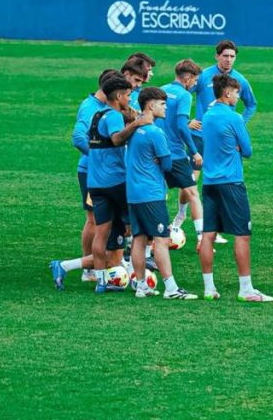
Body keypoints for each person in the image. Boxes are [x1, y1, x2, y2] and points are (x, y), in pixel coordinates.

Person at [198, 74, 273, 302]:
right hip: (231, 181)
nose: (239, 97)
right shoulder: (234, 118)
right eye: (237, 93)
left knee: (208, 234)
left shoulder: (208, 116)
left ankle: (209, 288)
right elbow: (248, 151)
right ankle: (245, 289)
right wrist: (237, 147)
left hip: (209, 182)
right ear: (227, 93)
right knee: (242, 234)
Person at [125, 87, 197, 300]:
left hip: (133, 193)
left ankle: (141, 286)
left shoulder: (133, 129)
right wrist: (160, 160)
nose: (166, 108)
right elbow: (167, 164)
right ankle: (171, 288)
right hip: (151, 193)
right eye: (163, 104)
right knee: (161, 239)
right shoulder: (156, 132)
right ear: (150, 105)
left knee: (138, 239)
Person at [50, 69, 119, 290]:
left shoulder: (107, 108)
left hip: (104, 174)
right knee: (94, 221)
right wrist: (99, 156)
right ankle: (89, 269)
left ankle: (102, 267)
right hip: (93, 173)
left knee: (107, 223)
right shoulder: (91, 108)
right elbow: (78, 138)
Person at [85, 76, 152, 293]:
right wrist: (137, 123)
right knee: (136, 227)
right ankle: (136, 275)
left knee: (102, 231)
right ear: (119, 96)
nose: (130, 98)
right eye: (128, 94)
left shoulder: (97, 115)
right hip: (116, 181)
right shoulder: (114, 116)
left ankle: (101, 280)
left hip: (95, 182)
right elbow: (116, 139)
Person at [192, 40, 256, 245]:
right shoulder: (203, 76)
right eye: (225, 56)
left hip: (225, 138)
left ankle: (210, 228)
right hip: (201, 136)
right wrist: (187, 121)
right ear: (217, 56)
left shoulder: (240, 81)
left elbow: (251, 105)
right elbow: (185, 93)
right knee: (192, 181)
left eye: (232, 56)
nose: (229, 60)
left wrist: (239, 126)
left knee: (210, 179)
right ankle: (182, 217)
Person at [157, 59, 206, 245]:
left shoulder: (160, 91)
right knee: (193, 193)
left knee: (158, 194)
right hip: (176, 154)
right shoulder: (185, 96)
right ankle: (202, 238)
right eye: (195, 80)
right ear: (188, 78)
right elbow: (181, 126)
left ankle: (156, 238)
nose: (195, 84)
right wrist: (194, 152)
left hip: (156, 152)